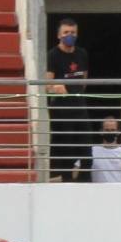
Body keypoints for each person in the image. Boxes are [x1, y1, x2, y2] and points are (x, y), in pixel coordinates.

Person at [46, 17, 89, 180]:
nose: (69, 35)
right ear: (59, 35)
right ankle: (67, 181)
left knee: (86, 152)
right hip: (62, 111)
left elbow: (84, 79)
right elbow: (47, 83)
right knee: (66, 152)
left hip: (80, 107)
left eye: (73, 32)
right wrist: (55, 86)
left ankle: (84, 183)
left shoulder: (82, 53)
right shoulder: (53, 55)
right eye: (66, 32)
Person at [90, 116, 121, 181]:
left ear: (118, 132)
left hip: (119, 191)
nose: (110, 133)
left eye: (113, 130)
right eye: (107, 130)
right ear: (101, 131)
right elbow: (75, 173)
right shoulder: (91, 152)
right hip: (97, 191)